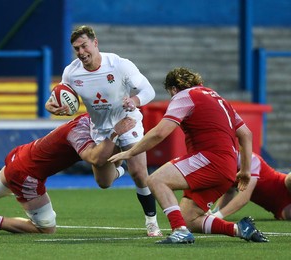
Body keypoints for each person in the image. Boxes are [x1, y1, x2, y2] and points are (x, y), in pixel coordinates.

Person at [109, 67, 268, 244]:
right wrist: (245, 170)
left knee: (155, 180)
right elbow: (246, 134)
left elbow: (160, 133)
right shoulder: (219, 99)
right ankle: (240, 229)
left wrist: (131, 152)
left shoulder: (184, 96)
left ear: (174, 89)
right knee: (188, 218)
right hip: (228, 167)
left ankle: (179, 231)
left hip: (210, 159)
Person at [0, 113, 136, 234]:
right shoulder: (81, 130)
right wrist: (116, 138)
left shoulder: (89, 119)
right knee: (46, 229)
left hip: (21, 157)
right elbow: (96, 160)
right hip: (28, 174)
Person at [45, 25, 161, 237]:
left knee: (139, 173)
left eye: (84, 46)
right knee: (104, 182)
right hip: (100, 129)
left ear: (95, 43)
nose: (81, 52)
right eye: (76, 49)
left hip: (127, 122)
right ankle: (119, 170)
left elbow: (149, 90)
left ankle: (152, 222)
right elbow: (59, 96)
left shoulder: (119, 65)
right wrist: (50, 106)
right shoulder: (71, 72)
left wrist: (134, 100)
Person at [210, 152, 291, 220]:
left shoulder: (249, 160)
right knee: (288, 215)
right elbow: (229, 192)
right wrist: (215, 212)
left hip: (283, 185)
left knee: (289, 179)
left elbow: (243, 199)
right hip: (279, 207)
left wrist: (216, 216)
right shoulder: (224, 166)